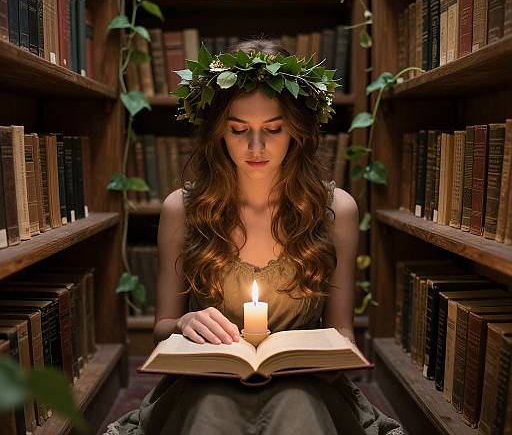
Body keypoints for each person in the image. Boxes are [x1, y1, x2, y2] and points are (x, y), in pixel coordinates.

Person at [105, 39, 403, 435]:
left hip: (305, 385)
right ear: (218, 134)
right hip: (208, 381)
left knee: (296, 409)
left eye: (274, 130)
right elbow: (161, 327)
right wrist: (185, 323)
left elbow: (342, 330)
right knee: (212, 410)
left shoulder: (336, 210)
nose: (256, 147)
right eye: (239, 130)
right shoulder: (184, 208)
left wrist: (333, 358)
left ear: (296, 131)